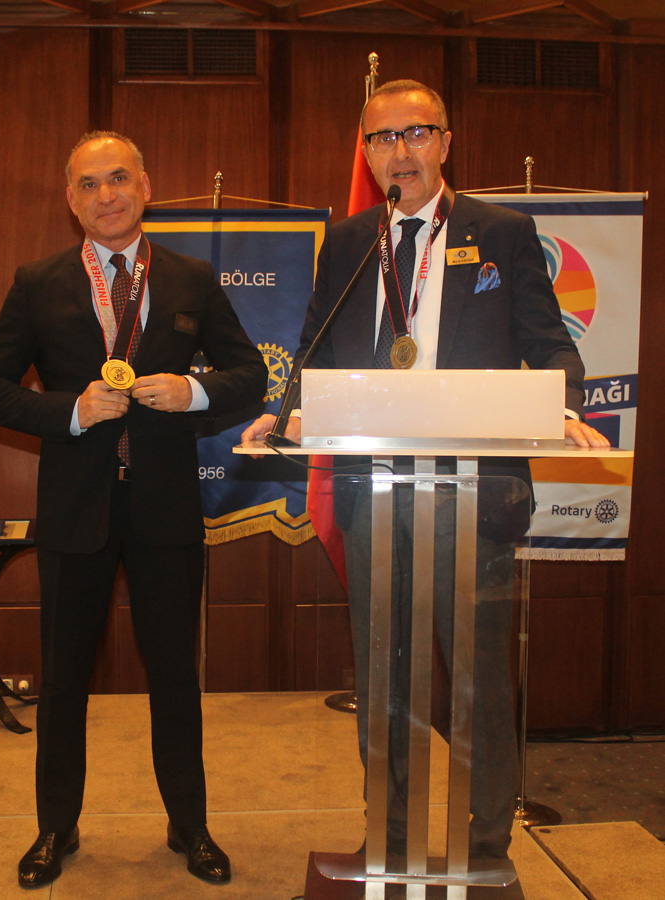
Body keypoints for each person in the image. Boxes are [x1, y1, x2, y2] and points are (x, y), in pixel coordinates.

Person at [242, 80, 609, 862]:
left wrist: (561, 404)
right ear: (366, 151)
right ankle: (390, 835)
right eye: (381, 138)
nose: (398, 151)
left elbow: (548, 341)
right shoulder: (349, 241)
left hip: (473, 488)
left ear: (445, 142)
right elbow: (314, 347)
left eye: (415, 133)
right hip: (373, 486)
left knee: (477, 676)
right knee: (384, 674)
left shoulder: (501, 232)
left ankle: (484, 844)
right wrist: (287, 411)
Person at [0, 131, 267, 888]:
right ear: (70, 200)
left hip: (167, 508)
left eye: (119, 179)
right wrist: (69, 410)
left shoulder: (191, 277)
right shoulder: (38, 282)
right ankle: (55, 828)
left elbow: (249, 375)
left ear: (145, 186)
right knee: (64, 680)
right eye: (89, 184)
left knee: (175, 678)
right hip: (76, 511)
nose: (106, 195)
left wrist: (192, 392)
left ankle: (189, 825)